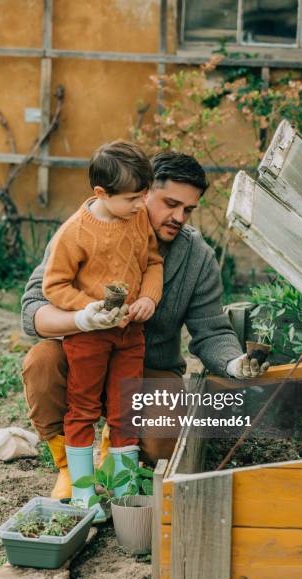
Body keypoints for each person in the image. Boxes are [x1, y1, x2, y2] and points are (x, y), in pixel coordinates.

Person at [22, 151, 268, 501]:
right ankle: (68, 469)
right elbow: (33, 307)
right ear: (144, 190)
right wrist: (81, 319)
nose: (179, 217)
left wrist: (233, 363)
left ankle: (118, 454)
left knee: (164, 442)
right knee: (41, 362)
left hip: (149, 367)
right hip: (84, 357)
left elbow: (212, 329)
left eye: (189, 209)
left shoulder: (196, 257)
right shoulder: (82, 230)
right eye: (170, 204)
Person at [39, 141, 163, 520]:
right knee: (84, 408)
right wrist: (86, 310)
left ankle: (123, 492)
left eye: (144, 195)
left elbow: (153, 261)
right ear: (101, 194)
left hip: (130, 335)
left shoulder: (138, 218)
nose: (141, 205)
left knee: (126, 408)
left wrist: (148, 298)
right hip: (89, 336)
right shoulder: (74, 233)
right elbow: (54, 286)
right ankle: (82, 492)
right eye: (132, 198)